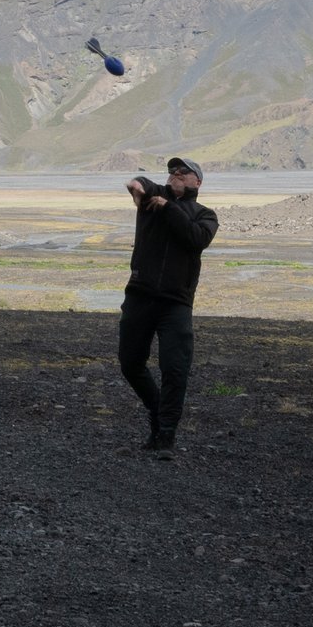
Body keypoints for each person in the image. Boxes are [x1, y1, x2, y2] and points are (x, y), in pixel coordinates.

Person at [118, 156, 219, 457]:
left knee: (175, 369)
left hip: (176, 303)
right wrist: (136, 186)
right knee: (130, 362)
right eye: (172, 171)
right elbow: (142, 183)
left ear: (197, 181)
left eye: (183, 172)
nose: (175, 175)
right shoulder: (154, 197)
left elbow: (195, 238)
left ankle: (166, 435)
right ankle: (156, 411)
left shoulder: (205, 215)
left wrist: (168, 208)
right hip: (140, 295)